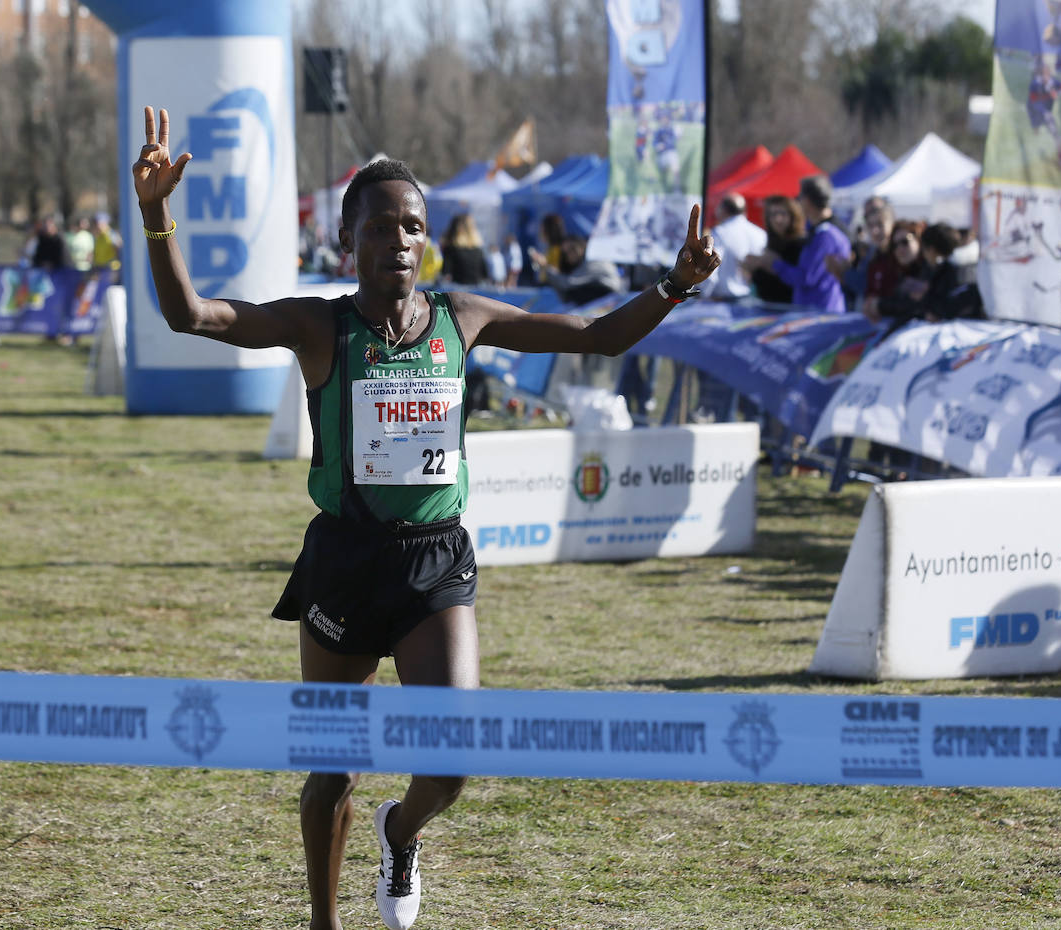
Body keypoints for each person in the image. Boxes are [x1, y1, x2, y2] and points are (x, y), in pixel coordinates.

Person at [130, 105, 720, 930]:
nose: (400, 241)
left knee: (450, 763)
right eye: (380, 227)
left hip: (435, 561)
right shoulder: (318, 325)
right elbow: (192, 314)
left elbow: (597, 335)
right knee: (333, 768)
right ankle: (325, 923)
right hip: (345, 559)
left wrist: (675, 285)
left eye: (412, 226)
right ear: (348, 241)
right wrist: (156, 216)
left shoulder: (461, 318)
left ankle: (399, 832)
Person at [748, 175, 851, 313]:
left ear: (807, 200)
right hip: (816, 310)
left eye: (800, 197)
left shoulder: (826, 235)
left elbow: (806, 278)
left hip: (820, 312)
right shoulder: (822, 231)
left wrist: (774, 263)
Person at [703, 193, 766, 299]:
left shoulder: (719, 233)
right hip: (754, 300)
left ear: (722, 210)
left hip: (723, 302)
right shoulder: (760, 234)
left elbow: (711, 269)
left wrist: (701, 295)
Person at [743, 194, 803, 304]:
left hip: (791, 308)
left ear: (792, 215)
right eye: (773, 214)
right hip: (766, 307)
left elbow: (800, 280)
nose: (777, 219)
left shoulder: (800, 244)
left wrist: (771, 264)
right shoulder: (770, 242)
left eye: (782, 214)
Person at [439, 213, 489, 285]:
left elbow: (445, 273)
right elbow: (485, 274)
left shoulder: (450, 249)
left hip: (457, 289)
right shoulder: (478, 250)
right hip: (476, 289)